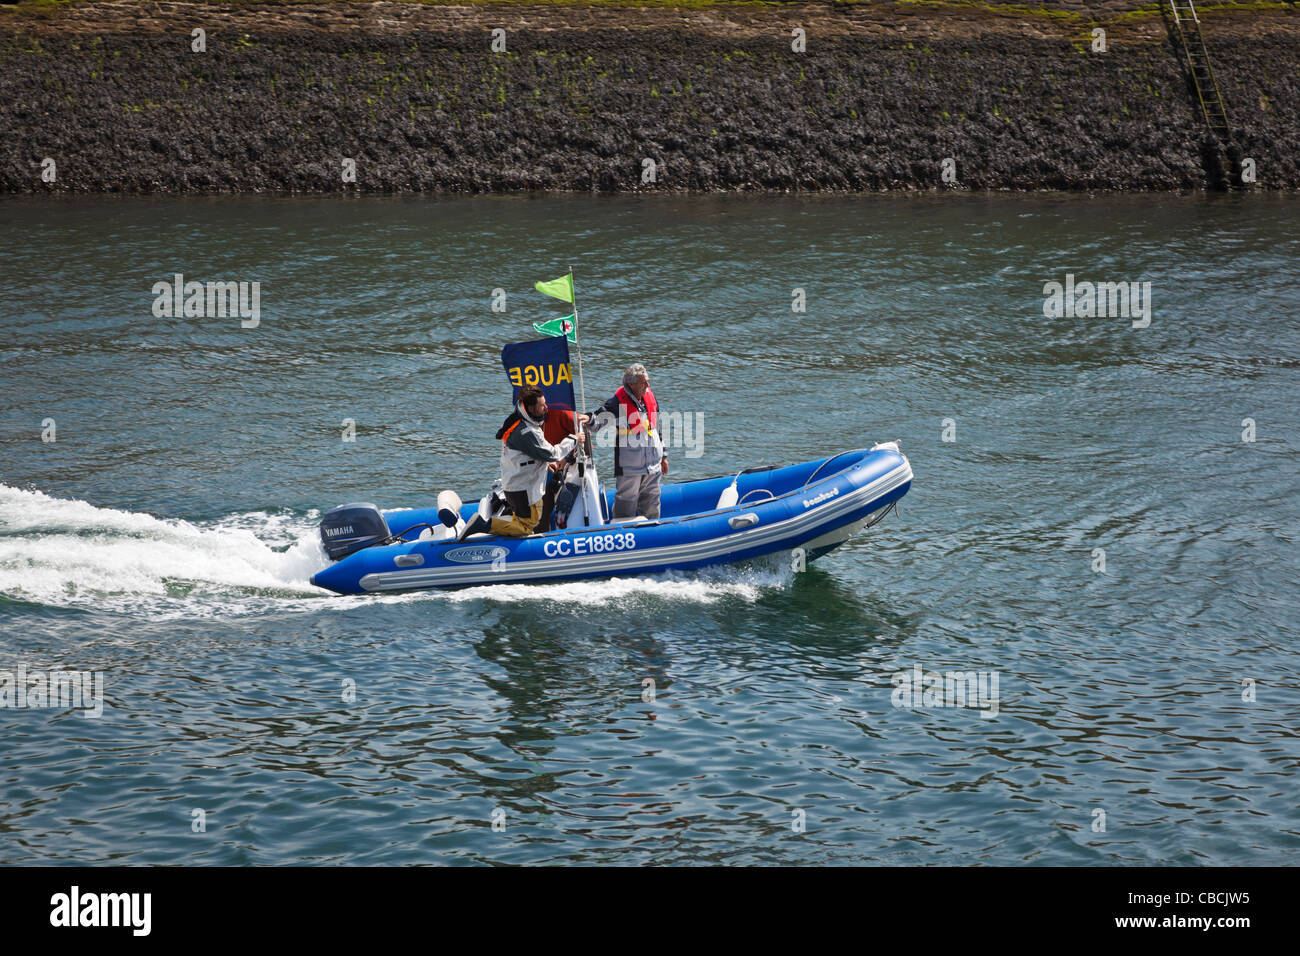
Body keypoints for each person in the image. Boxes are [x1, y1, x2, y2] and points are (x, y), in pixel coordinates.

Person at [459, 385, 587, 539]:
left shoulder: (521, 421)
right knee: (527, 526)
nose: (546, 407)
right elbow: (552, 454)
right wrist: (574, 439)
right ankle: (485, 525)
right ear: (532, 409)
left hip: (515, 485)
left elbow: (528, 454)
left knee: (522, 519)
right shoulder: (526, 431)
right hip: (523, 489)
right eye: (542, 405)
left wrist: (544, 463)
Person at [587, 363, 668, 520]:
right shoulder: (617, 403)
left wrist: (664, 456)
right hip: (630, 467)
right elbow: (598, 421)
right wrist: (588, 419)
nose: (648, 385)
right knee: (625, 505)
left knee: (652, 503)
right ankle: (621, 532)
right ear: (631, 384)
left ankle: (652, 534)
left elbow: (658, 429)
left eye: (647, 381)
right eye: (644, 382)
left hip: (653, 464)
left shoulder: (649, 398)